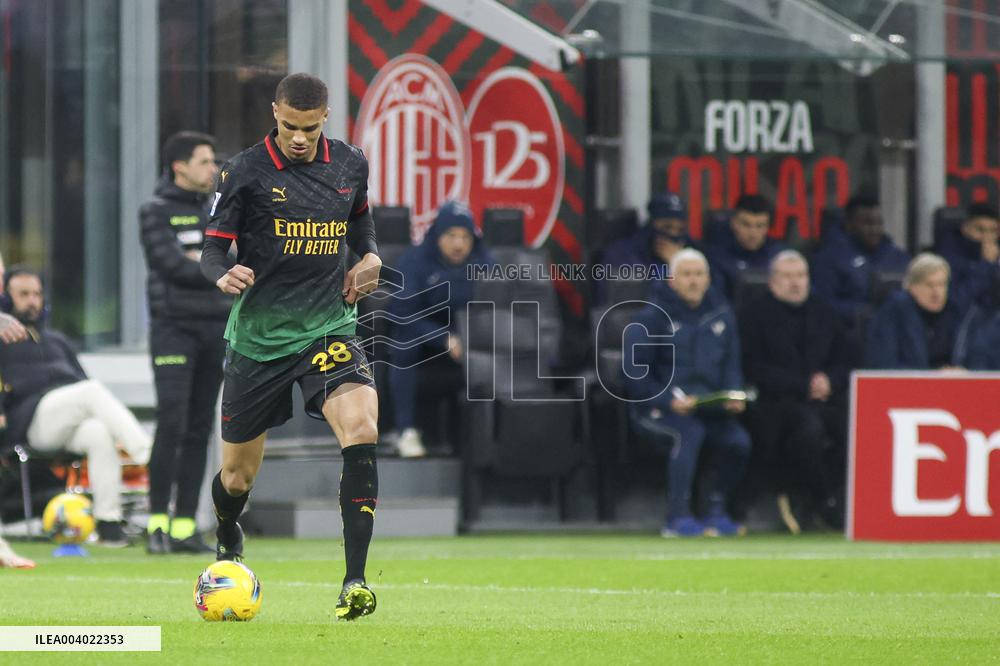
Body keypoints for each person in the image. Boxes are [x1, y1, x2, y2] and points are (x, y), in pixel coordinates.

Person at [199, 73, 382, 621]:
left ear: (325, 116)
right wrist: (222, 276)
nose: (298, 138)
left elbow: (361, 225)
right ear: (274, 113)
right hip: (259, 339)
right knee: (237, 477)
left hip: (328, 328)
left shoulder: (350, 162)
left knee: (363, 428)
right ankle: (228, 526)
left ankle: (355, 580)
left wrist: (370, 258)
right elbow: (212, 251)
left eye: (309, 127)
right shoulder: (244, 170)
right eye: (288, 126)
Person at [0, 267, 152, 546]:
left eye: (36, 294)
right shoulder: (3, 340)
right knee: (90, 392)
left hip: (67, 419)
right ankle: (148, 456)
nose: (32, 301)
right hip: (30, 422)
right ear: (7, 300)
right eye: (23, 295)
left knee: (98, 433)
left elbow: (80, 380)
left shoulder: (57, 340)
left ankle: (108, 524)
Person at [140, 131, 233, 555]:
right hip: (173, 329)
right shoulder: (154, 210)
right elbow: (170, 265)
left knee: (200, 428)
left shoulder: (221, 210)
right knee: (172, 422)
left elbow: (237, 259)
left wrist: (205, 262)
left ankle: (183, 527)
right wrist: (215, 267)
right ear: (179, 166)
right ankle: (156, 522)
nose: (213, 169)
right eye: (204, 161)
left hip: (215, 327)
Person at [624, 249, 751, 537]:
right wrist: (668, 399)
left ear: (708, 279)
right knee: (688, 433)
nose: (693, 281)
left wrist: (733, 393)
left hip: (709, 408)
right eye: (686, 275)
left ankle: (715, 510)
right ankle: (677, 517)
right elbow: (633, 375)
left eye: (699, 274)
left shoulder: (722, 315)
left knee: (738, 441)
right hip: (656, 411)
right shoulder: (649, 319)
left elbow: (732, 364)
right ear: (671, 280)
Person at [737, 251, 852, 532]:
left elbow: (847, 358)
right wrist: (802, 385)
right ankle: (823, 501)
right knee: (809, 430)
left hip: (824, 399)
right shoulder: (753, 315)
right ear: (773, 281)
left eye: (801, 276)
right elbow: (752, 367)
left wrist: (829, 381)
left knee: (855, 430)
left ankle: (815, 499)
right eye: (788, 276)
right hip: (775, 401)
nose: (796, 283)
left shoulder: (824, 311)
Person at [388, 200, 494, 457]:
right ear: (438, 235)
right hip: (424, 340)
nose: (459, 244)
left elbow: (497, 310)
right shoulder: (415, 260)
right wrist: (442, 339)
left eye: (465, 237)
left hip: (467, 340)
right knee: (404, 344)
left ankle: (486, 437)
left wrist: (470, 339)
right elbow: (400, 313)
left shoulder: (484, 262)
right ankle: (406, 432)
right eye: (451, 236)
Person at [811, 194, 911, 328]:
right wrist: (862, 312)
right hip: (851, 334)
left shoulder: (897, 256)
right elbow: (822, 304)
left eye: (879, 223)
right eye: (868, 223)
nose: (875, 229)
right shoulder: (829, 258)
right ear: (849, 224)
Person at [866, 253, 961, 369]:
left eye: (942, 284)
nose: (937, 293)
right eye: (929, 285)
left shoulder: (952, 311)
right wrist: (933, 375)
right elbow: (884, 365)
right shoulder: (895, 310)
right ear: (912, 287)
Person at [596, 192, 693, 302]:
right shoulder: (622, 254)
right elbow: (641, 299)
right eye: (667, 227)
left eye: (680, 230)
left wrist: (677, 262)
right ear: (651, 224)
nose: (674, 234)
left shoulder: (690, 251)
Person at [705, 194, 785, 301]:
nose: (753, 233)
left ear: (767, 227)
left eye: (760, 226)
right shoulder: (717, 257)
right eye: (746, 225)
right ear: (734, 223)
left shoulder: (779, 256)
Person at [935, 202, 999, 314]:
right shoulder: (949, 257)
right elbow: (958, 301)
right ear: (965, 228)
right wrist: (986, 264)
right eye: (980, 230)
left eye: (993, 231)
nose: (987, 237)